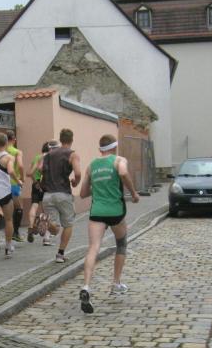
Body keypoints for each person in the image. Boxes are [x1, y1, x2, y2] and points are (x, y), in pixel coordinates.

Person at [78, 134, 139, 314]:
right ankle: (116, 283)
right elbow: (123, 172)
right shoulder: (119, 160)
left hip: (97, 212)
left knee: (93, 248)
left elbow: (82, 193)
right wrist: (133, 193)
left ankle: (86, 286)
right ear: (115, 147)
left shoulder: (92, 166)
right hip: (115, 211)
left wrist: (98, 187)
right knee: (121, 244)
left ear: (100, 149)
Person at [39, 128, 81, 263]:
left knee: (55, 229)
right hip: (63, 194)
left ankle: (46, 221)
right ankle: (60, 254)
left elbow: (40, 169)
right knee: (68, 224)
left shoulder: (48, 154)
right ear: (71, 140)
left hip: (47, 195)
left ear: (61, 139)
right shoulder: (72, 154)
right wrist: (75, 182)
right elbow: (78, 173)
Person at [27, 139, 59, 246]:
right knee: (47, 211)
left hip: (36, 184)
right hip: (47, 185)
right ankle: (46, 238)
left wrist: (36, 182)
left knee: (34, 206)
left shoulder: (37, 157)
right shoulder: (50, 157)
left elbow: (29, 173)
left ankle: (30, 227)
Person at [6, 130, 24, 243]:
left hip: (2, 184)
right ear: (14, 139)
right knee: (18, 208)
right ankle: (15, 233)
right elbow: (20, 165)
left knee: (1, 210)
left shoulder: (0, 151)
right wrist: (22, 178)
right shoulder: (17, 152)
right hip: (14, 182)